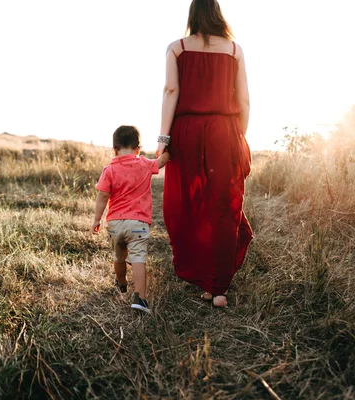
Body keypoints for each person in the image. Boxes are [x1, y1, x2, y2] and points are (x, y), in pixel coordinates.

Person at [156, 0, 253, 308]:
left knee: (189, 203)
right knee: (223, 206)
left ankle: (202, 277)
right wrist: (238, 135)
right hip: (224, 131)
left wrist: (163, 139)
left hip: (186, 132)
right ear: (217, 13)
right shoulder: (235, 50)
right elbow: (245, 101)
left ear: (193, 14)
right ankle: (219, 287)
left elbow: (171, 91)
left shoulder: (177, 48)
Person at [92, 125, 170, 313]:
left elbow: (102, 196)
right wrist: (168, 147)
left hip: (115, 224)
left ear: (114, 149)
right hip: (138, 224)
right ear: (138, 148)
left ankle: (121, 282)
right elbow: (162, 161)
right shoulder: (144, 163)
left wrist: (97, 219)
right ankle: (140, 299)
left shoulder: (109, 169)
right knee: (138, 259)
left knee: (119, 257)